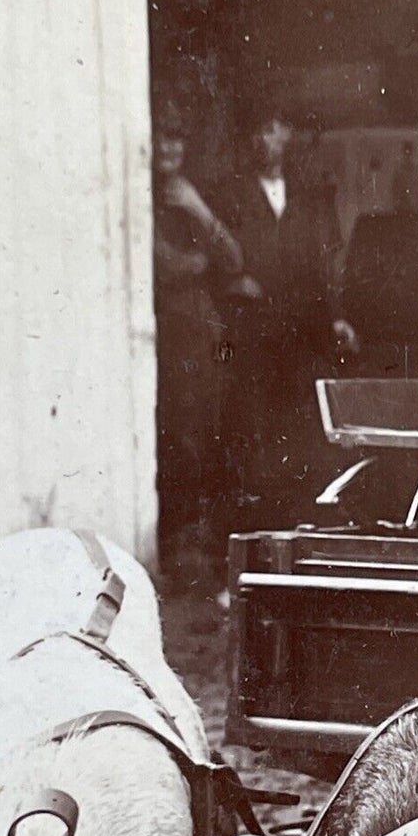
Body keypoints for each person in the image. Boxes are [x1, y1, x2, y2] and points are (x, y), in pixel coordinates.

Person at [217, 107, 358, 528]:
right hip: (256, 333)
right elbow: (220, 258)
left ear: (287, 134)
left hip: (303, 329)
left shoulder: (309, 193)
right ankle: (265, 529)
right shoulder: (233, 194)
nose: (266, 138)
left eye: (274, 128)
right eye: (259, 129)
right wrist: (236, 283)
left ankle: (308, 526)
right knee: (258, 435)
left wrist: (335, 318)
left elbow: (327, 261)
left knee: (306, 429)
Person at [152, 111, 243, 555]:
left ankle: (203, 543)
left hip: (201, 327)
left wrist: (195, 207)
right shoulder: (143, 198)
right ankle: (179, 543)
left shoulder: (188, 195)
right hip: (169, 329)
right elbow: (169, 264)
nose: (169, 151)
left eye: (176, 141)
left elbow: (232, 259)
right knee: (179, 433)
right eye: (161, 141)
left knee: (210, 429)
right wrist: (200, 261)